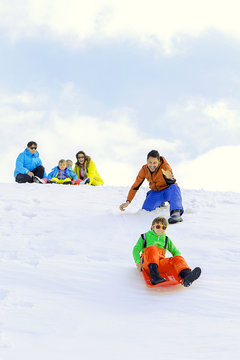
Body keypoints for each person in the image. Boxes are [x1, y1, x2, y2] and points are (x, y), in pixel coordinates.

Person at [133, 216, 201, 287]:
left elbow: (175, 251)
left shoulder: (166, 239)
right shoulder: (145, 237)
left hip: (160, 264)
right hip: (147, 263)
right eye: (158, 226)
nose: (161, 229)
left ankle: (187, 276)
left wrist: (177, 262)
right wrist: (138, 262)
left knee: (177, 257)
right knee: (152, 248)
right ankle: (155, 277)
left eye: (164, 227)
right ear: (152, 227)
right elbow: (136, 249)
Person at [119, 149, 183, 224]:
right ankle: (160, 204)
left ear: (159, 161)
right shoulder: (144, 169)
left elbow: (172, 183)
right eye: (150, 162)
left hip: (167, 191)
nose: (152, 165)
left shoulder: (165, 167)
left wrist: (169, 178)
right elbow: (135, 186)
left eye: (155, 163)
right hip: (155, 193)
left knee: (174, 187)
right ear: (146, 161)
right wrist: (128, 201)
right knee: (145, 211)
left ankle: (176, 213)